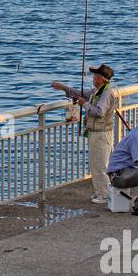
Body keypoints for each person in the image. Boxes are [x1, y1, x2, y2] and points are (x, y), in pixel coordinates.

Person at [51, 63, 120, 208]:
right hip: (95, 133)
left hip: (101, 134)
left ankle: (104, 195)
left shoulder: (107, 93)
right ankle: (99, 191)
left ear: (101, 79)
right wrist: (64, 88)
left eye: (95, 76)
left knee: (101, 165)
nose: (93, 78)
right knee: (95, 165)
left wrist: (84, 105)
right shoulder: (98, 91)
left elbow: (99, 112)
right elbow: (80, 94)